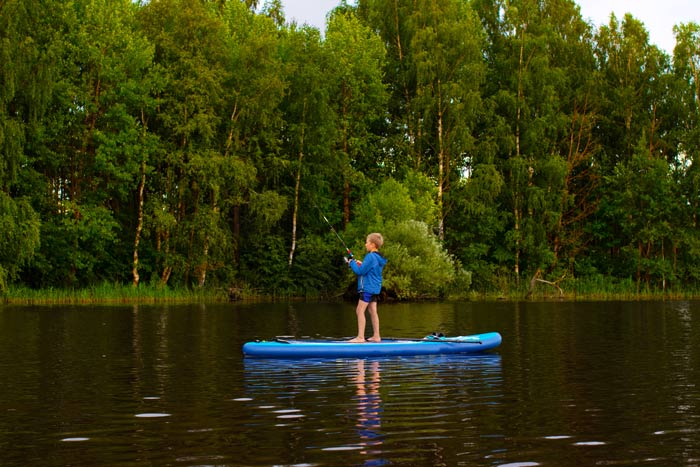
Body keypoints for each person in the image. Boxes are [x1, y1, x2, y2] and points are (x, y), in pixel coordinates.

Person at [346, 233, 387, 343]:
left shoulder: (370, 256)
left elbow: (359, 271)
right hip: (375, 288)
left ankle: (360, 337)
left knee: (359, 310)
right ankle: (376, 336)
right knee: (373, 311)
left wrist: (351, 263)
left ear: (373, 245)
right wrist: (362, 263)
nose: (365, 244)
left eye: (367, 242)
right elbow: (370, 269)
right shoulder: (378, 257)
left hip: (367, 288)